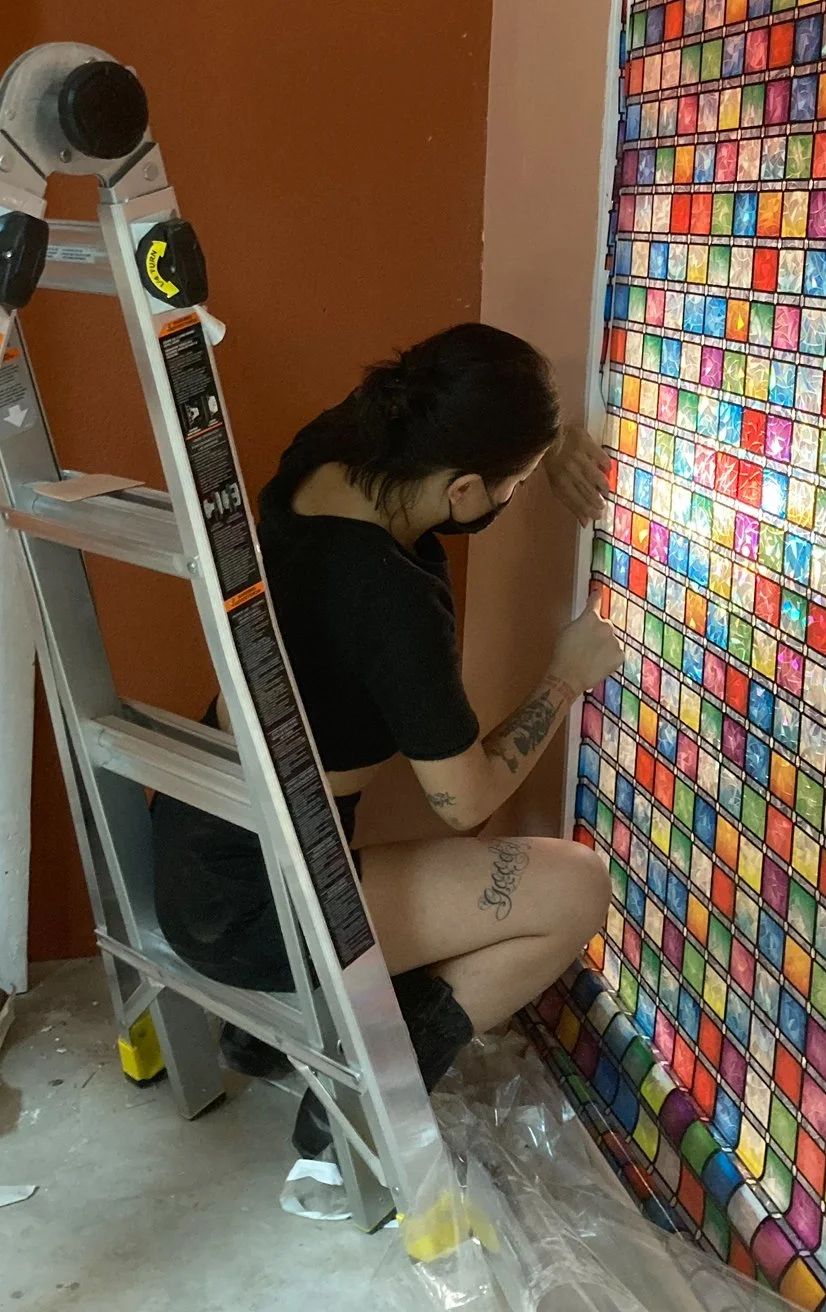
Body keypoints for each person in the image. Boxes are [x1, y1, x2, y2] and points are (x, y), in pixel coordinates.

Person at [150, 322, 623, 1155]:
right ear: (465, 488)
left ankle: (268, 1036)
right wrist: (564, 677)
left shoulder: (323, 455)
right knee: (576, 888)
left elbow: (444, 414)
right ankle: (366, 1090)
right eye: (509, 486)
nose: (510, 500)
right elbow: (464, 804)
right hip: (262, 907)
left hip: (193, 841)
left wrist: (544, 446)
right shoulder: (392, 604)